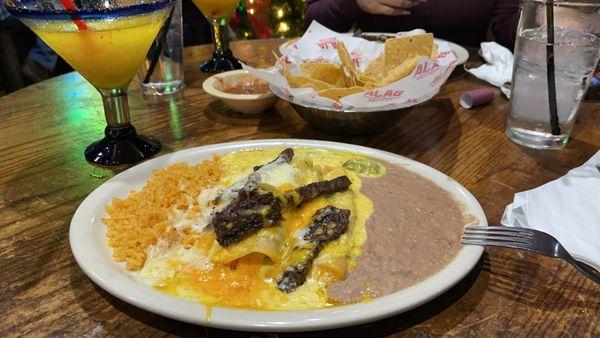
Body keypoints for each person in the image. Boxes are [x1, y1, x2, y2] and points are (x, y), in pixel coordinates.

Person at [304, 0, 519, 49]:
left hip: (467, 94)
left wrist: (545, 16)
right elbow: (313, 24)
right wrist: (354, 2)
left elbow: (509, 32)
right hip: (369, 86)